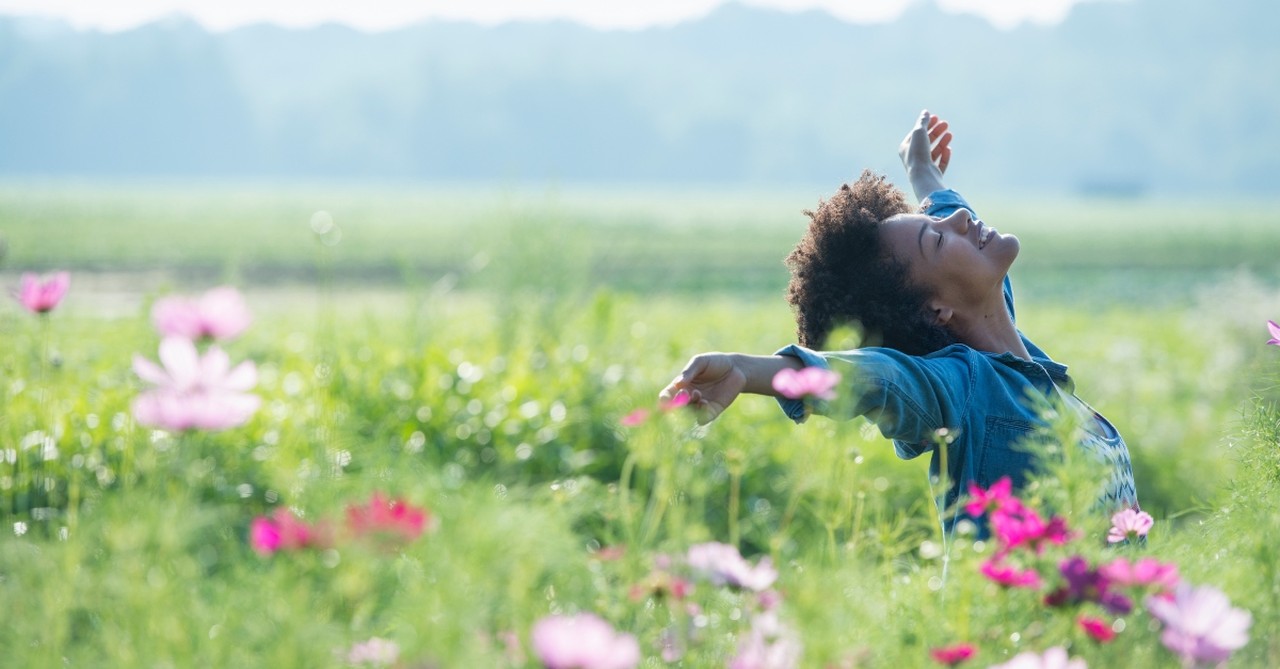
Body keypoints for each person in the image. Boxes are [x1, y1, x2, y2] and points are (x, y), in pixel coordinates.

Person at [659, 110, 1137, 521]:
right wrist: (747, 370)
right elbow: (875, 377)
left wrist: (922, 170)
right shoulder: (960, 388)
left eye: (938, 221)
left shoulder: (1009, 341)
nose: (961, 220)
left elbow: (950, 214)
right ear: (937, 310)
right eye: (938, 238)